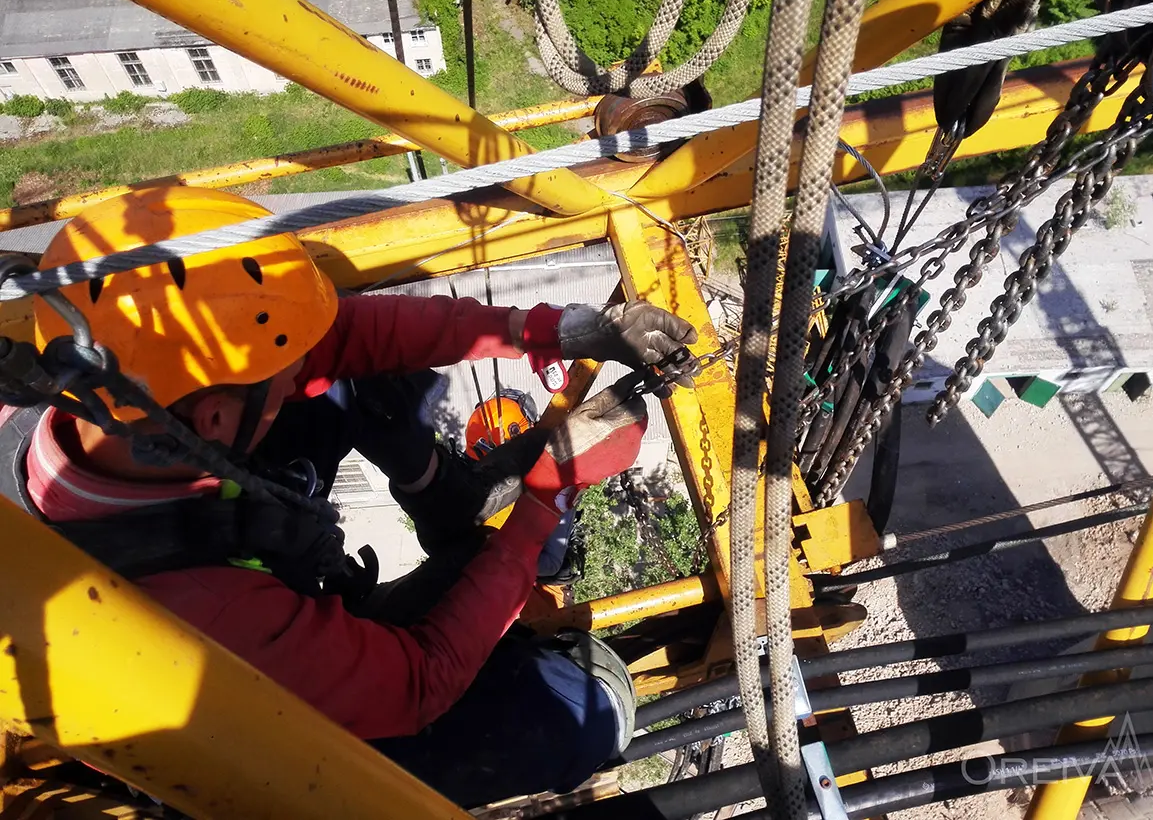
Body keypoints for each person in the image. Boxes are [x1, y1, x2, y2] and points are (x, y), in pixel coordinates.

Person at [0, 187, 700, 807]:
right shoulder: (198, 611)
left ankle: (444, 498)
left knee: (337, 386)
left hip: (225, 556)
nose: (303, 370)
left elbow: (344, 338)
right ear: (211, 420)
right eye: (284, 373)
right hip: (233, 729)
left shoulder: (86, 391)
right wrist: (546, 494)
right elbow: (419, 683)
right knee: (583, 707)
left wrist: (545, 330)